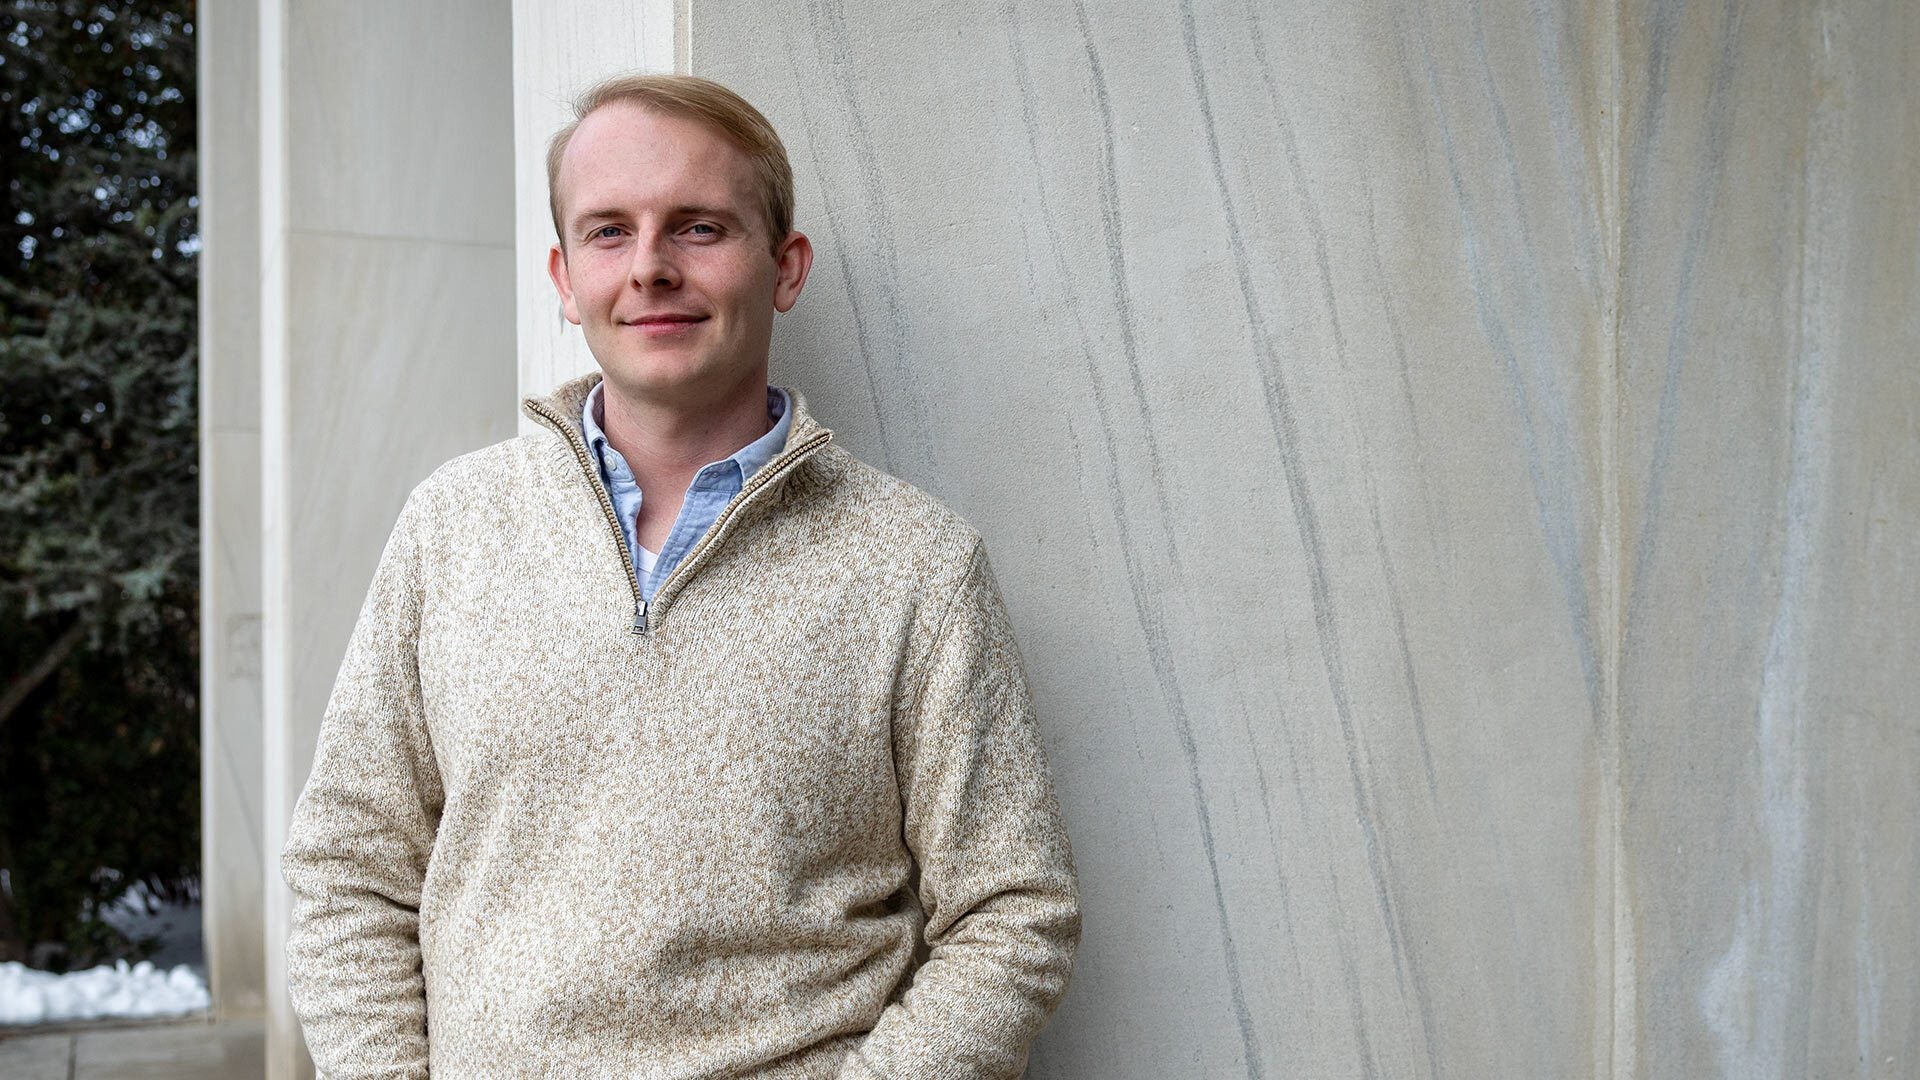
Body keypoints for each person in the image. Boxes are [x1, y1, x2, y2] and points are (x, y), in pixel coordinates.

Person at [280, 74, 1081, 1079]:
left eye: (699, 228)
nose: (650, 268)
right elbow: (349, 871)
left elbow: (1013, 909)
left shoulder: (915, 564)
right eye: (610, 232)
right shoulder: (453, 528)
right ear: (565, 279)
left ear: (784, 268)